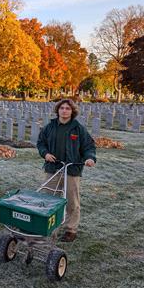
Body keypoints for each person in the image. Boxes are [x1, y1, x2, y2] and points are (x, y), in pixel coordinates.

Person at [37, 99, 96, 242]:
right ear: (58, 110)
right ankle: (50, 227)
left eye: (67, 109)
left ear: (72, 111)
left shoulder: (78, 129)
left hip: (71, 169)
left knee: (72, 202)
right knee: (50, 199)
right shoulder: (50, 127)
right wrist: (45, 153)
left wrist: (90, 158)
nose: (64, 111)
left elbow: (89, 146)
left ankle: (71, 229)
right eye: (62, 108)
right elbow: (41, 143)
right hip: (53, 168)